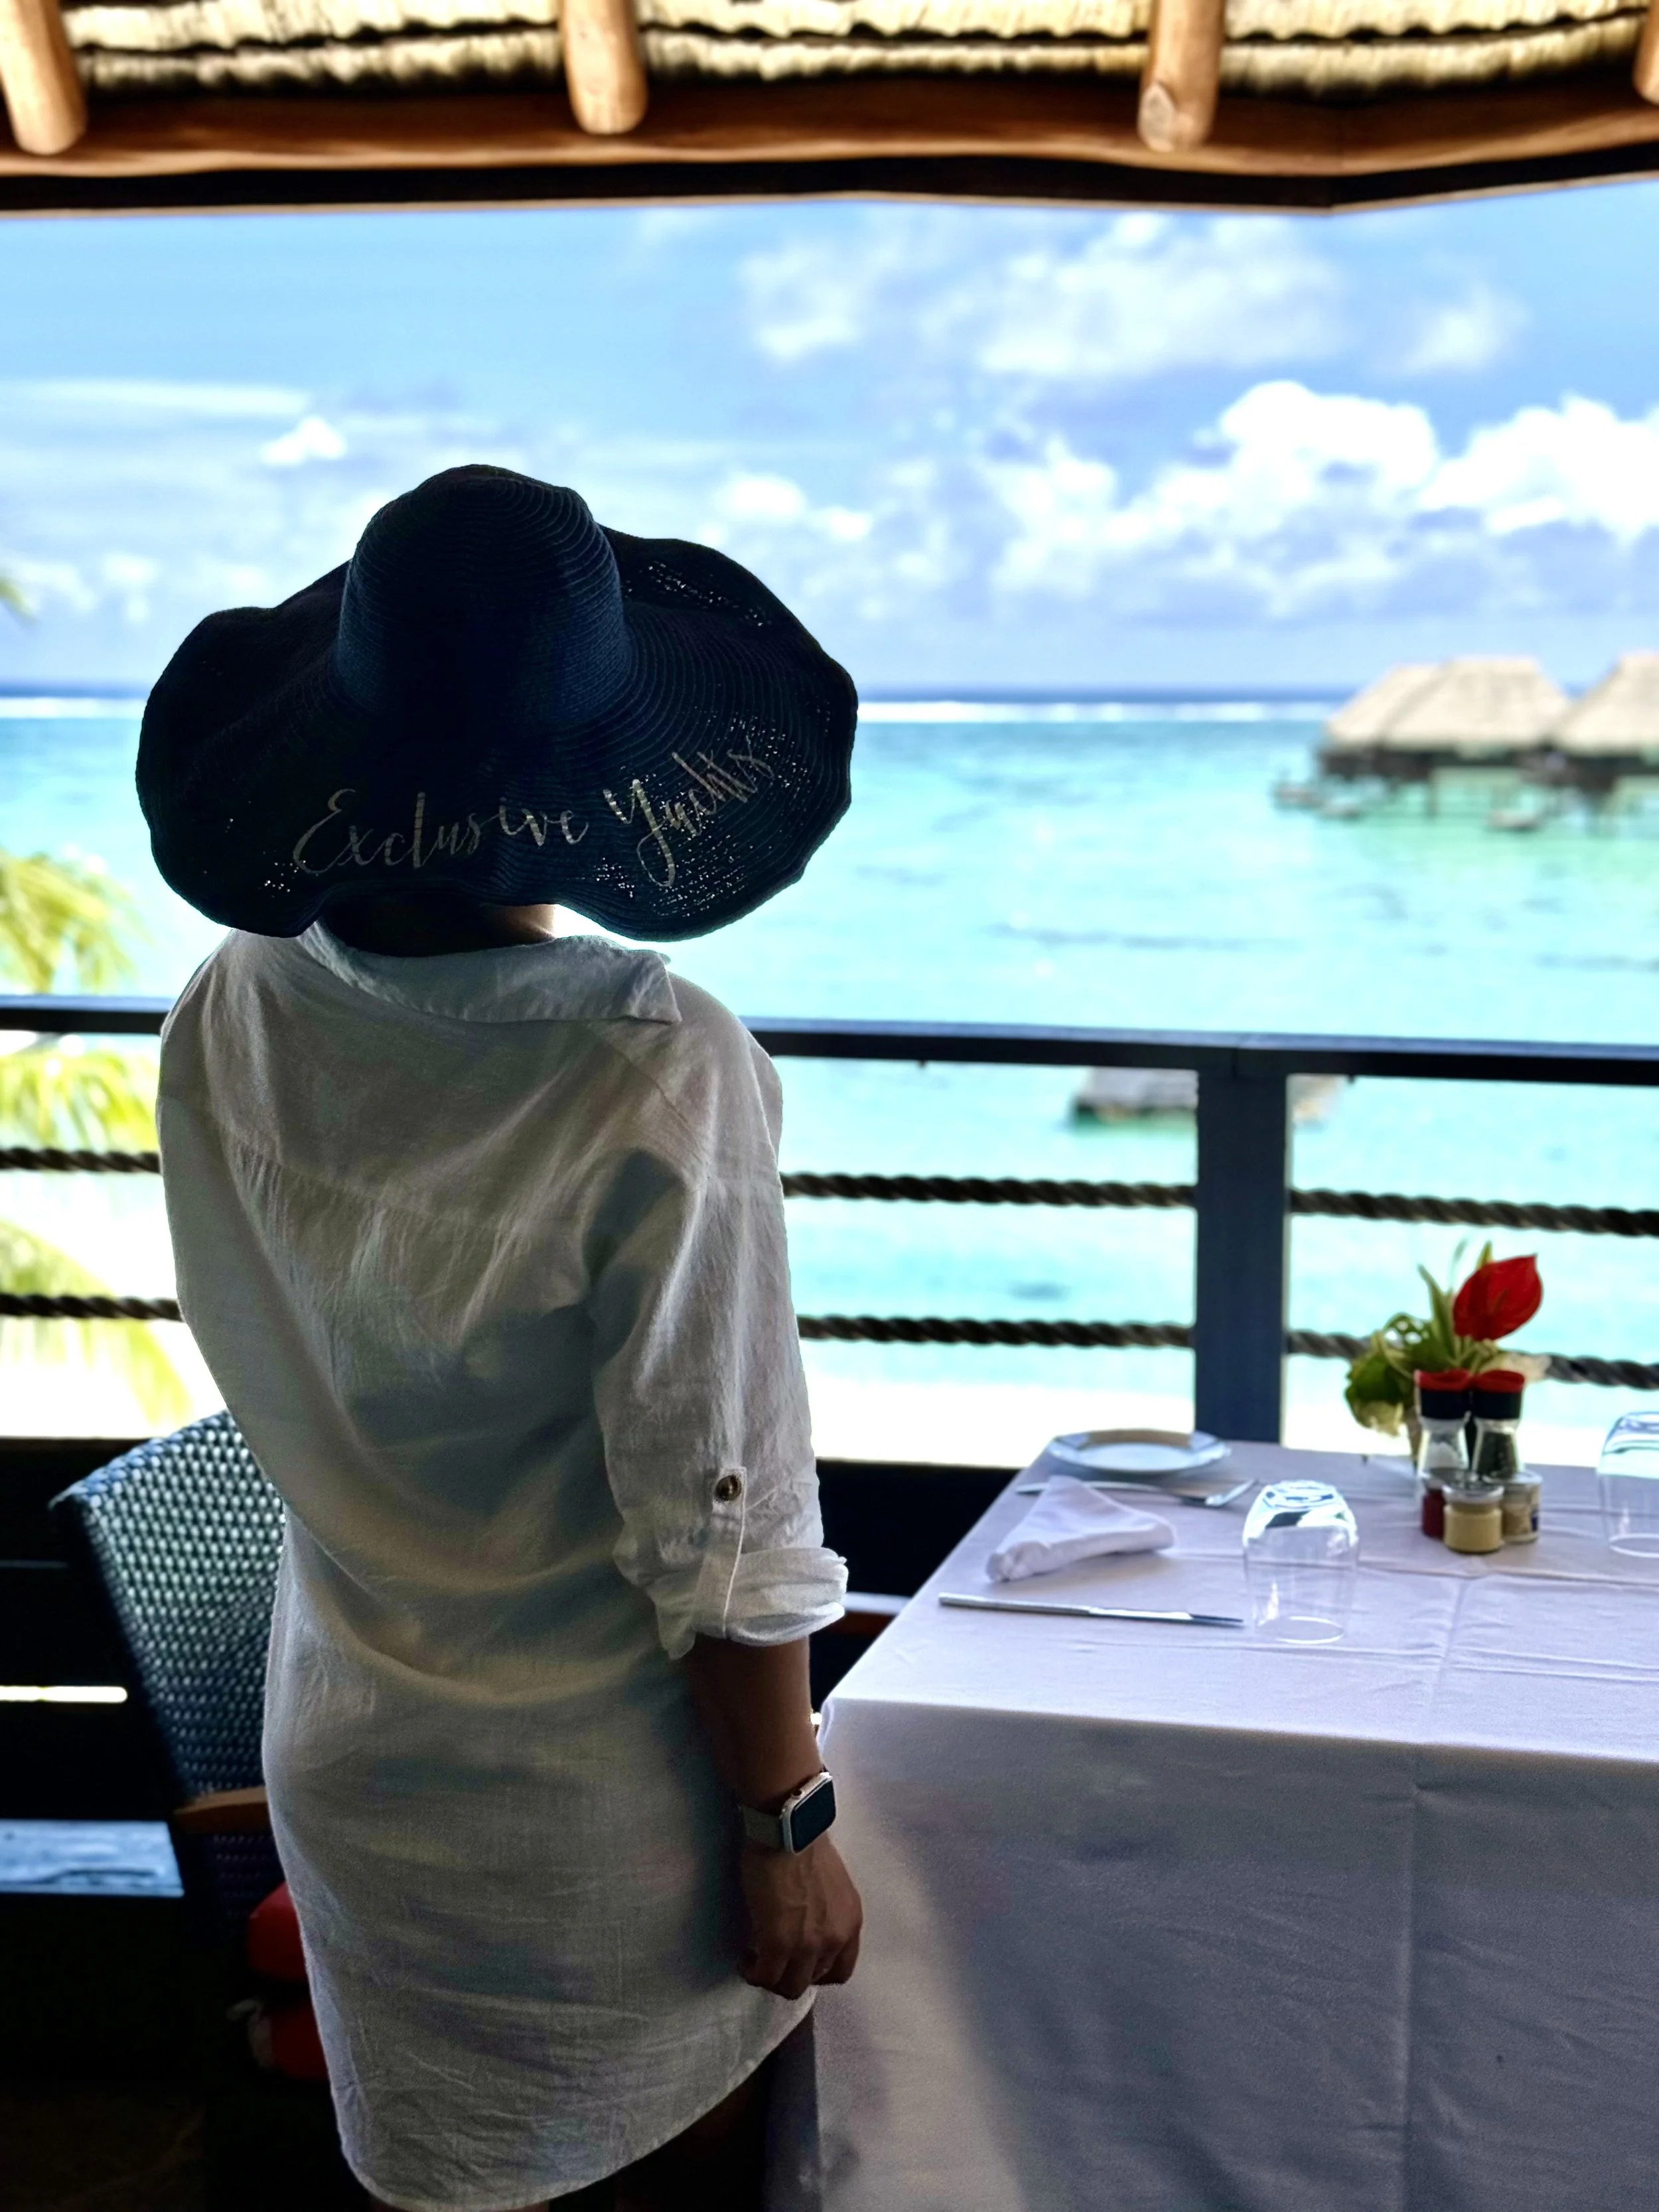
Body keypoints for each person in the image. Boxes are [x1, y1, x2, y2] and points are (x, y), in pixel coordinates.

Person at [137, 467, 864, 2212]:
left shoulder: (233, 1003)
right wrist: (785, 1825)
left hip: (357, 1757)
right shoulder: (648, 1065)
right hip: (594, 1826)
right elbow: (719, 1523)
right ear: (605, 776)